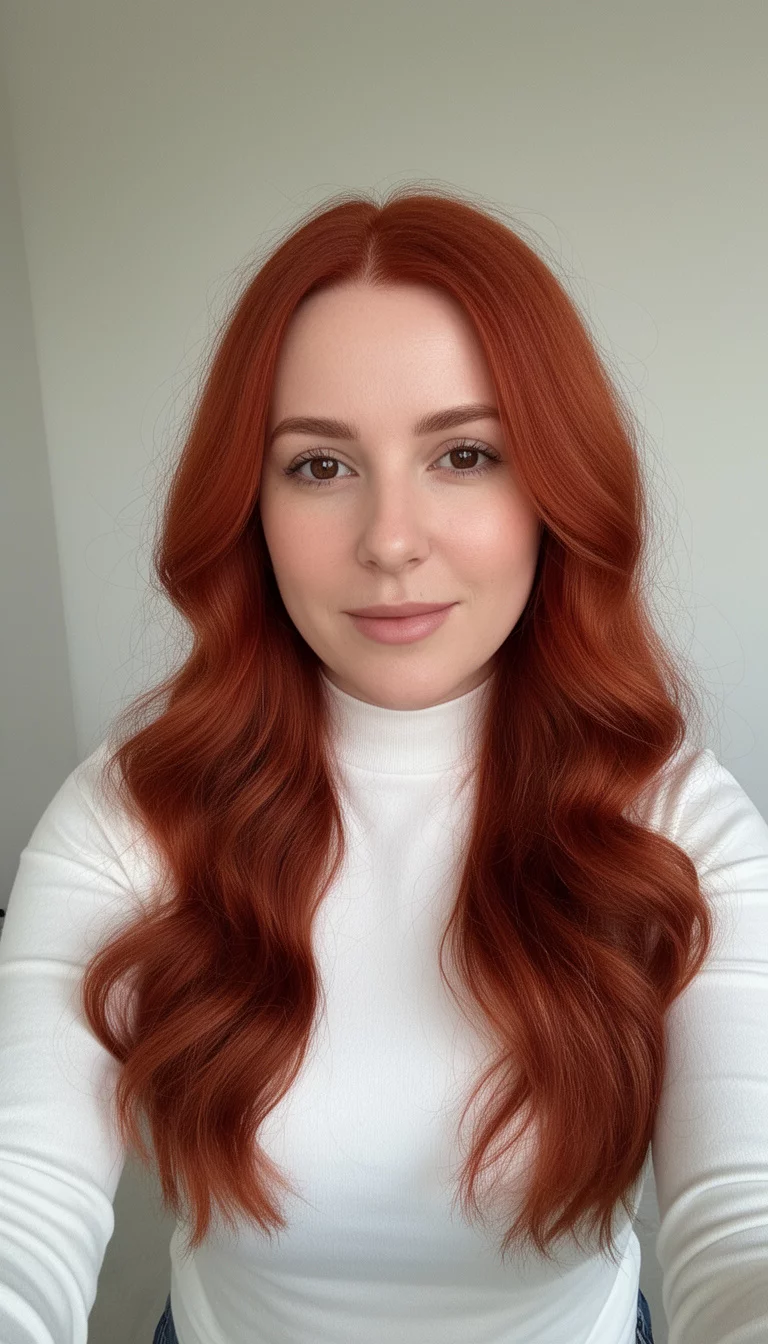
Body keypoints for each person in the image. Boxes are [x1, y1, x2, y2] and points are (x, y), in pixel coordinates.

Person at [1, 188, 767, 1344]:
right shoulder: (132, 815)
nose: (391, 538)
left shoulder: (677, 821)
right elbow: (23, 1207)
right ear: (247, 506)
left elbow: (743, 1226)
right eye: (319, 467)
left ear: (554, 492)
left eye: (465, 454)